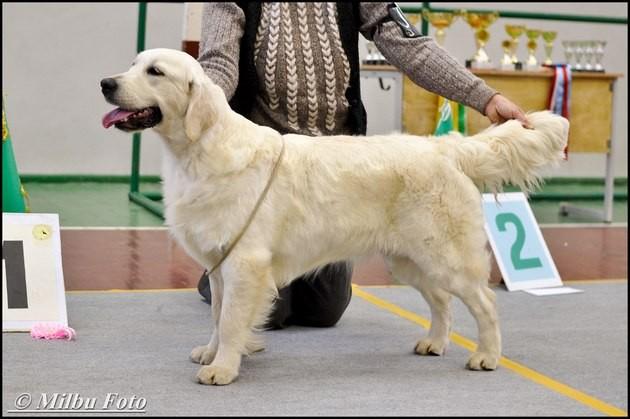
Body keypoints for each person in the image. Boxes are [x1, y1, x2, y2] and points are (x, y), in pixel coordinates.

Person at [196, 2, 530, 329]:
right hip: (263, 171)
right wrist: (199, 102)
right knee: (268, 310)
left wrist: (484, 97)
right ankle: (221, 268)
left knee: (323, 312)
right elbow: (218, 64)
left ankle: (248, 271)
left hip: (335, 173)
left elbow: (409, 46)